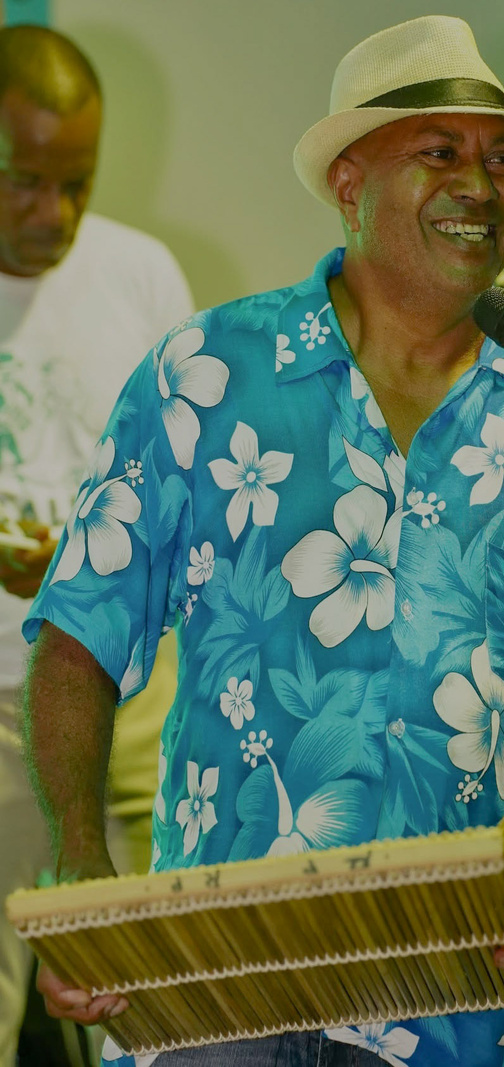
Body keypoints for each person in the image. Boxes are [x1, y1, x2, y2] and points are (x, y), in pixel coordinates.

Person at [22, 16, 504, 1067]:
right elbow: (81, 632)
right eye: (439, 153)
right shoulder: (206, 377)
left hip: (459, 991)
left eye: (501, 159)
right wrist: (81, 859)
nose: (480, 185)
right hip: (223, 985)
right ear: (350, 183)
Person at [0, 24, 193, 1067]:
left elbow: (193, 482)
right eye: (25, 182)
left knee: (160, 991)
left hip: (130, 686)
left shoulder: (142, 275)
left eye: (76, 183)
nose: (55, 214)